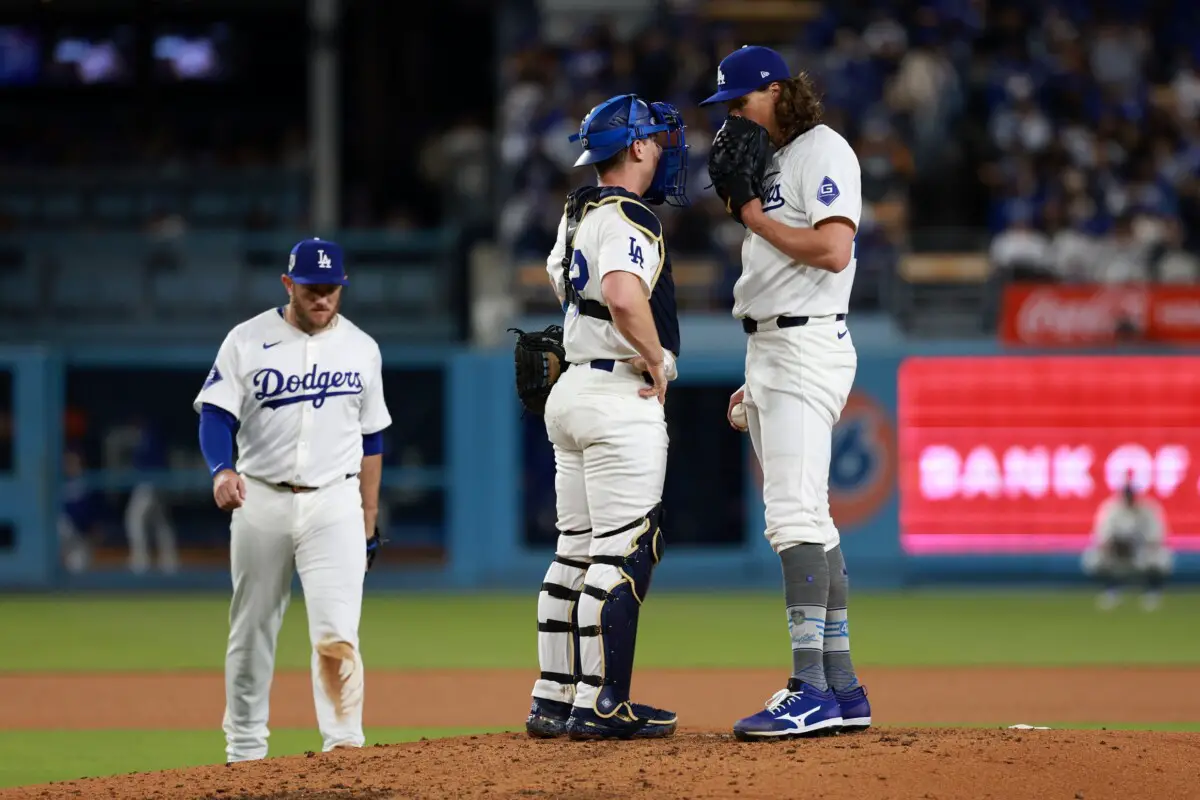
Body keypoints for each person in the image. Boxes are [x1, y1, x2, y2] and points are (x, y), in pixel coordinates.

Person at [699, 45, 871, 739]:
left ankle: (808, 690)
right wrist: (759, 375)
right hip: (774, 344)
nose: (732, 118)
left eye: (740, 102)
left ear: (776, 92)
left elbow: (833, 250)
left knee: (793, 518)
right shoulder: (771, 158)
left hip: (804, 341)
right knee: (815, 521)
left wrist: (751, 214)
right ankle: (842, 686)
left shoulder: (824, 150)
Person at [524, 93, 689, 741]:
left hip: (572, 391)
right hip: (617, 394)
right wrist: (657, 360)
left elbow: (568, 286)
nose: (664, 149)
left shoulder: (576, 211)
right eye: (656, 138)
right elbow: (622, 295)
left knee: (574, 552)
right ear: (639, 147)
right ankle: (601, 703)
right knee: (625, 550)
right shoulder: (627, 214)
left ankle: (552, 698)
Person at [193, 238, 392, 762]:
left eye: (332, 289)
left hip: (335, 503)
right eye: (312, 288)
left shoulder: (362, 348)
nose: (323, 298)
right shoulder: (247, 339)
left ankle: (345, 748)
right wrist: (221, 470)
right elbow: (215, 414)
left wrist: (369, 518)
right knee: (253, 628)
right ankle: (244, 750)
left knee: (337, 632)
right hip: (261, 498)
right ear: (289, 285)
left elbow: (372, 439)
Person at [1083, 479, 1173, 611]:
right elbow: (1102, 537)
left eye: (1132, 495)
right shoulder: (1111, 508)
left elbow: (1157, 536)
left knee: (1162, 558)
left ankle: (1152, 592)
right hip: (1118, 552)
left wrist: (1139, 545)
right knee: (1093, 558)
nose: (1130, 498)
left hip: (1142, 551)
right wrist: (1117, 545)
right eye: (1127, 495)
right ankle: (1111, 591)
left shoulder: (1149, 508)